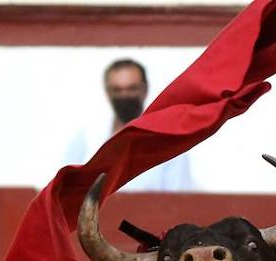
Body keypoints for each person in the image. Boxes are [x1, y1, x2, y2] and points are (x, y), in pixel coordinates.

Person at [61, 58, 195, 192]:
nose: (124, 95)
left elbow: (179, 198)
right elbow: (65, 188)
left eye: (132, 89)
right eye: (117, 90)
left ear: (144, 89)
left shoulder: (167, 142)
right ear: (108, 92)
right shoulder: (88, 138)